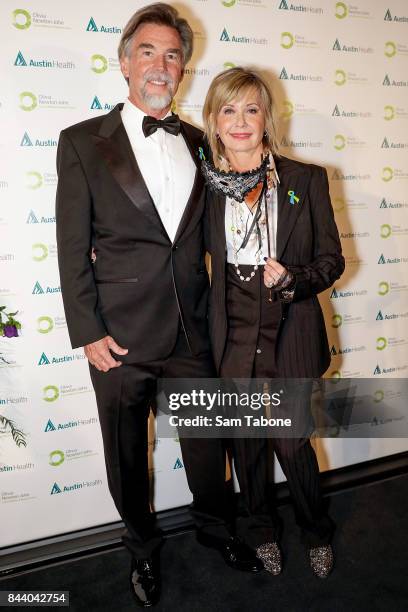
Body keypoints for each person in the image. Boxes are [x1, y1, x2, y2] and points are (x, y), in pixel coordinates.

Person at [56, 7, 262, 609]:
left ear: (183, 69)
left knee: (208, 445)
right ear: (124, 62)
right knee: (126, 455)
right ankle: (142, 552)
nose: (161, 64)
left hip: (193, 333)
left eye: (172, 54)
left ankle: (215, 528)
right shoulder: (82, 143)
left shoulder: (201, 143)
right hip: (118, 338)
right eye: (148, 51)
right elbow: (72, 247)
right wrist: (88, 329)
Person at [202, 67, 345, 579]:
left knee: (289, 440)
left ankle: (316, 531)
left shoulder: (306, 180)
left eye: (251, 109)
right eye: (228, 109)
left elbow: (332, 260)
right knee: (245, 443)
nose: (240, 122)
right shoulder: (205, 191)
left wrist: (293, 279)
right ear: (214, 122)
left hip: (288, 322)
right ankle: (261, 531)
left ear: (267, 118)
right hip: (235, 327)